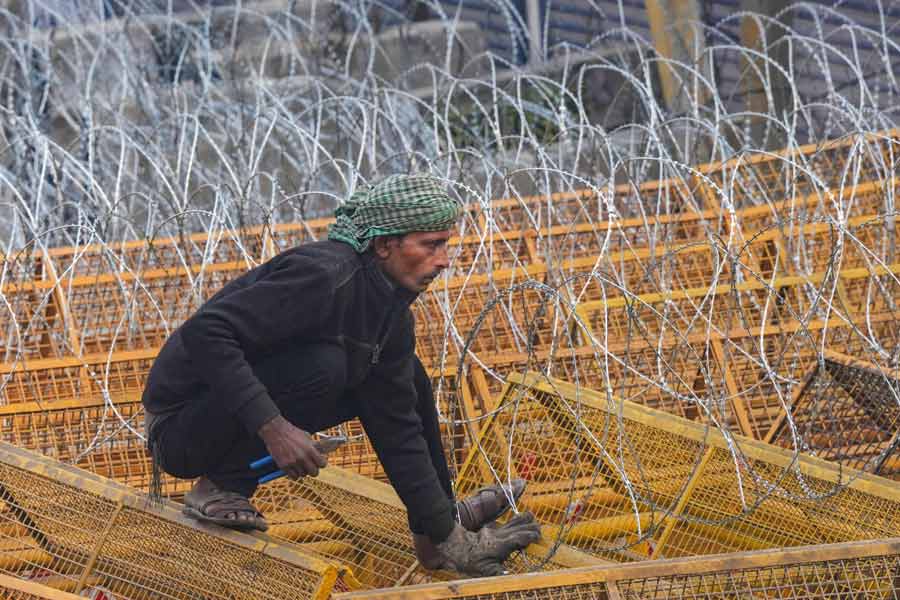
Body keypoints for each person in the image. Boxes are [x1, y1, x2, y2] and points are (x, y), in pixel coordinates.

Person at [141, 174, 541, 577]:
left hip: (224, 420)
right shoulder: (324, 275)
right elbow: (205, 333)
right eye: (431, 245)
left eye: (445, 245)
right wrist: (274, 427)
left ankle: (438, 528)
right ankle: (220, 486)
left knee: (407, 380)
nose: (444, 260)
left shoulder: (390, 316)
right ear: (385, 245)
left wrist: (444, 538)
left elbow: (398, 427)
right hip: (179, 430)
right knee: (327, 366)